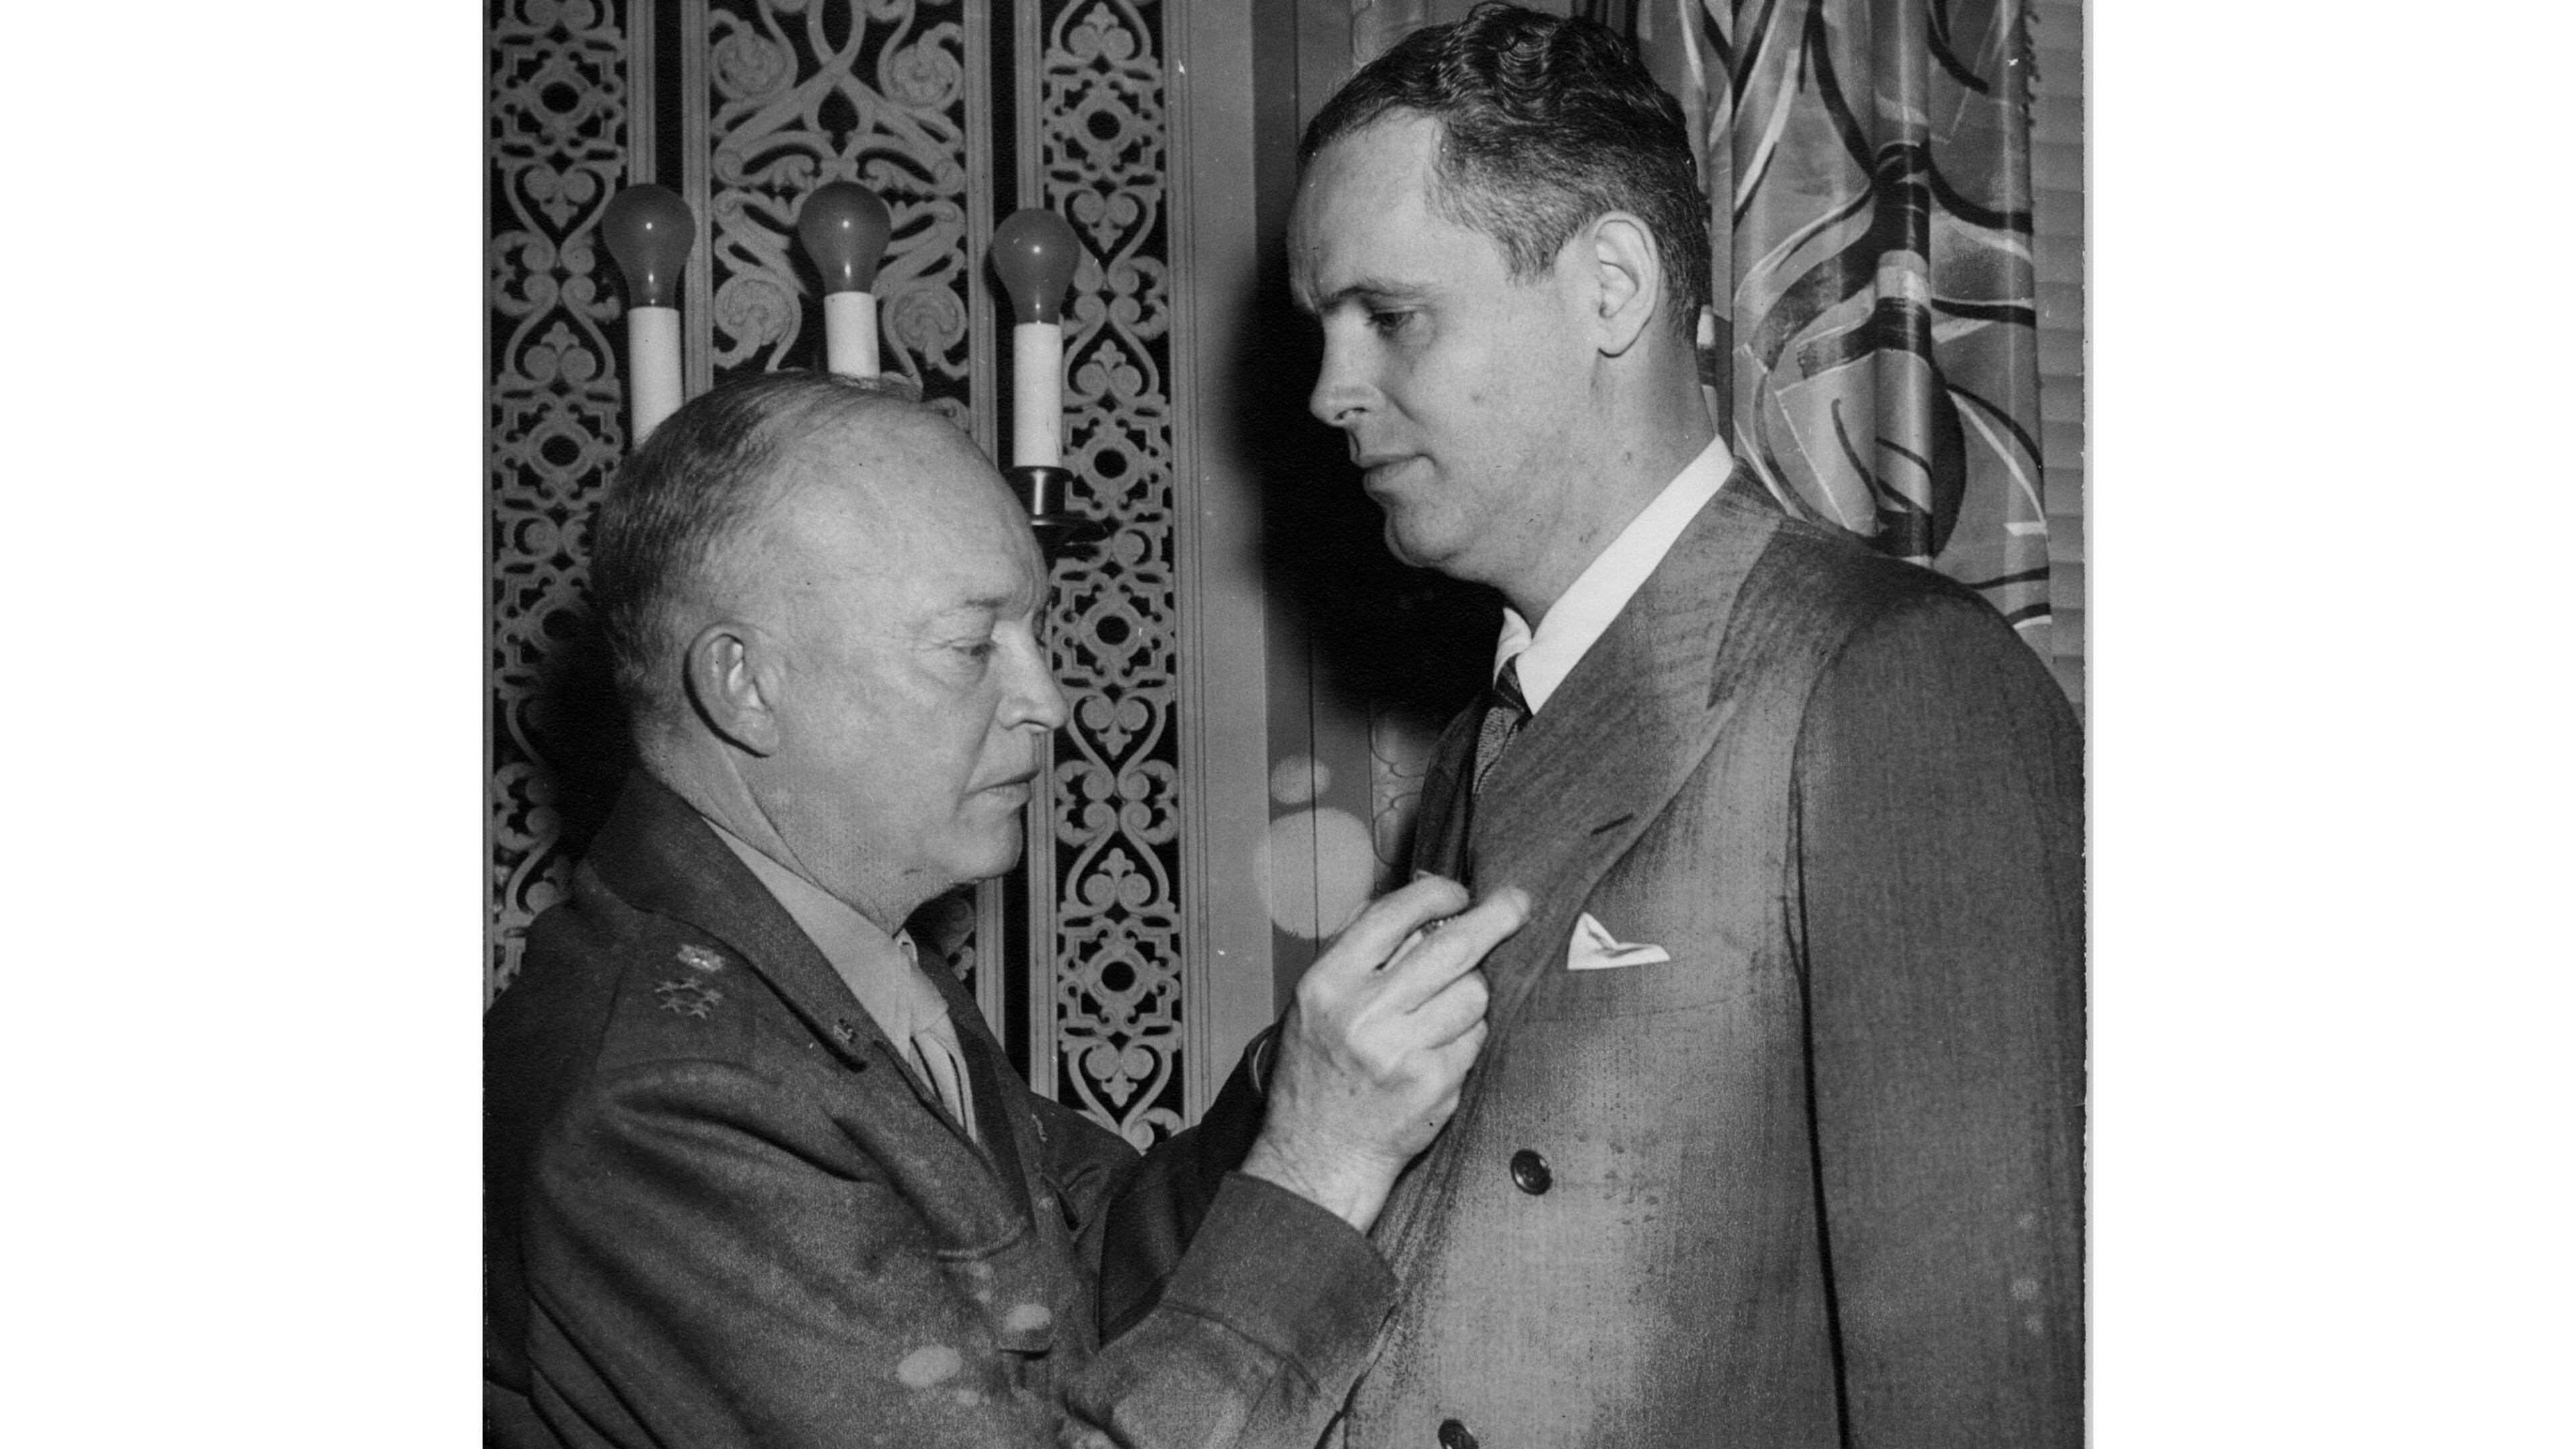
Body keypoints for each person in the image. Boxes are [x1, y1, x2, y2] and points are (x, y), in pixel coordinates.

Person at [1285, 5, 2085, 1446]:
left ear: (1609, 288)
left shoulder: (1892, 686)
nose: (1332, 392)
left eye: (1390, 318)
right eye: (1323, 330)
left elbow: (1979, 1390)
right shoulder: (1487, 747)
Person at [483, 370, 1527, 1448]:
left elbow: (1078, 1267)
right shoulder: (664, 1101)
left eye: (1033, 635)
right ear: (745, 686)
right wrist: (1319, 1166)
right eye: (971, 647)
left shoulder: (831, 959)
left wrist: (1298, 1083)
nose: (1049, 702)